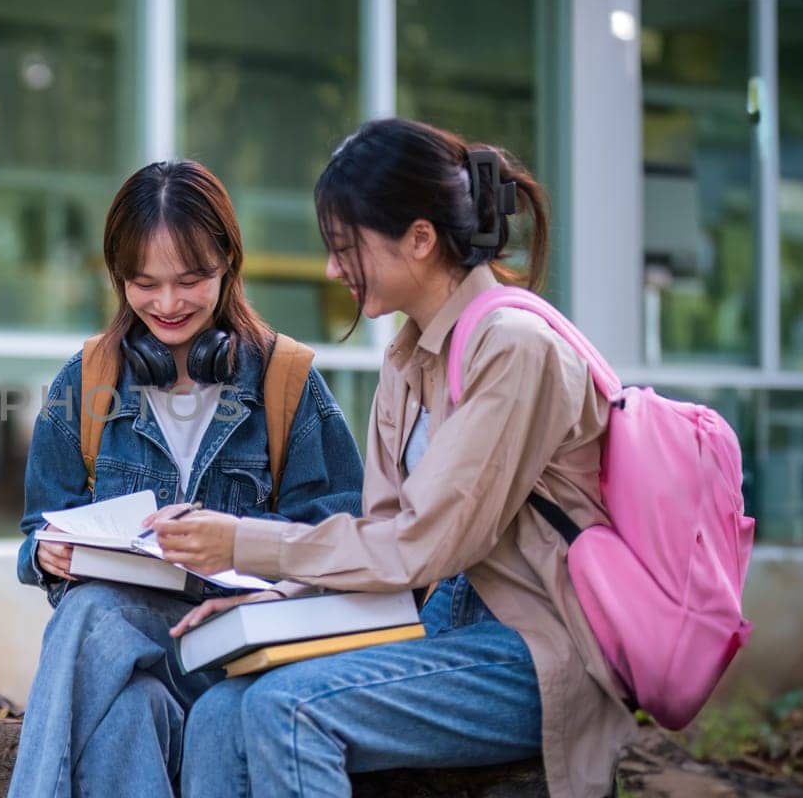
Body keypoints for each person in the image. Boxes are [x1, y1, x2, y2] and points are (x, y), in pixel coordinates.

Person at [150, 118, 636, 798]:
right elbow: (380, 540)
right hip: (438, 630)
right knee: (218, 714)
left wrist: (243, 544)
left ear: (419, 238)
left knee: (285, 708)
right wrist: (276, 597)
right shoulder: (408, 361)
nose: (331, 269)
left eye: (346, 247)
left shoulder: (515, 349)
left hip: (535, 650)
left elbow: (419, 548)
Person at [8, 159, 365, 797]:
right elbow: (38, 527)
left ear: (228, 263)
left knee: (89, 615)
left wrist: (237, 539)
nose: (167, 306)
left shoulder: (287, 381)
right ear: (119, 277)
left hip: (239, 642)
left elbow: (344, 525)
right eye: (144, 284)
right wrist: (47, 552)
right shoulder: (85, 381)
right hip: (133, 641)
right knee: (124, 712)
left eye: (191, 280)